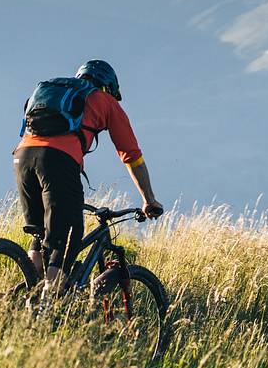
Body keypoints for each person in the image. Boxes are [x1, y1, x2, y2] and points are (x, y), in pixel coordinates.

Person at [13, 59, 163, 293]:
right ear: (109, 87)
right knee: (68, 237)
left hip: (22, 157)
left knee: (41, 234)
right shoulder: (105, 101)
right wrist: (149, 199)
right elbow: (132, 156)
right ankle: (48, 306)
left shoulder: (54, 91)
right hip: (58, 161)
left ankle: (25, 296)